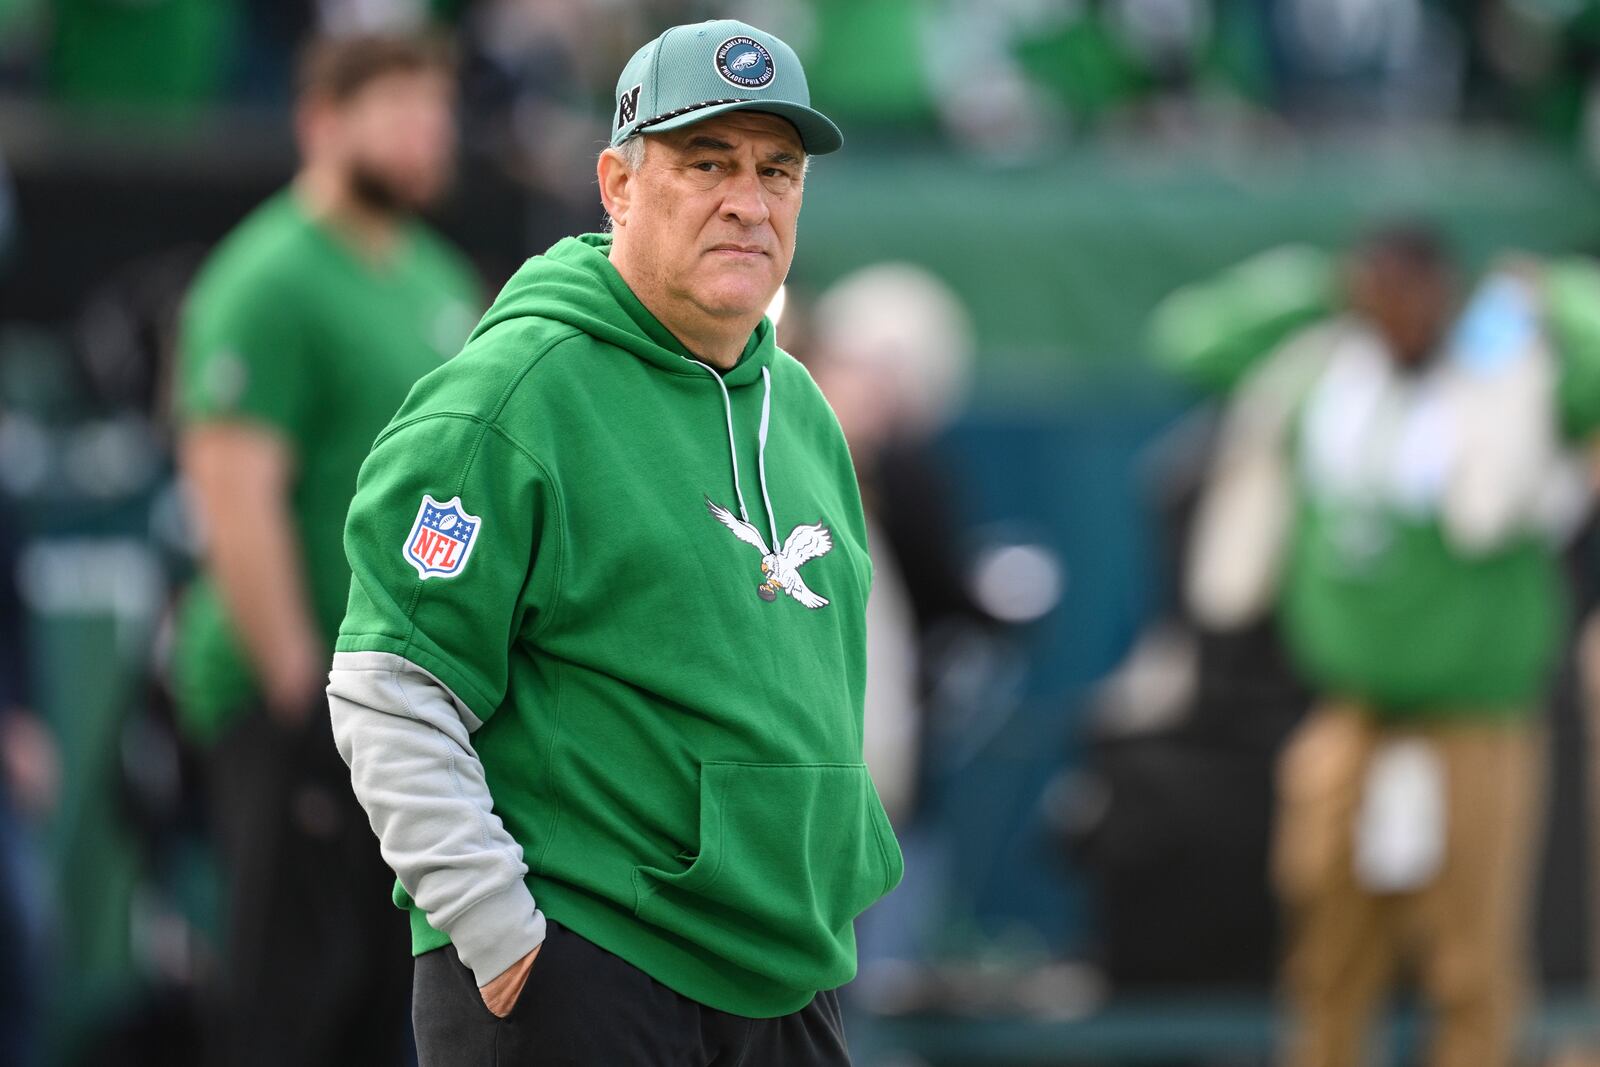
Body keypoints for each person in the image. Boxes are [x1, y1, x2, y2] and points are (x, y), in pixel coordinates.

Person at [325, 18, 903, 1066]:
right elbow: (387, 682)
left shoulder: (802, 405)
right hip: (588, 965)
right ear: (619, 183)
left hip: (782, 971)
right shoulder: (515, 390)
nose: (749, 200)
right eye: (707, 162)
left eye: (778, 170)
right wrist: (500, 937)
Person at [1151, 225, 1600, 1067]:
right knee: (1327, 954)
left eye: (1417, 292)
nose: (1399, 312)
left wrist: (1550, 293)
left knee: (1471, 964)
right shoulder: (1323, 377)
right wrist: (1317, 284)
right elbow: (1192, 337)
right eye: (1380, 291)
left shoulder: (1510, 385)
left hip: (1478, 722)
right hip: (1350, 715)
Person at [171, 32, 480, 1067]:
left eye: (434, 109)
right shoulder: (271, 274)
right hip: (297, 710)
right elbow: (233, 494)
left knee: (382, 1012)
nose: (424, 132)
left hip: (403, 709)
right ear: (322, 123)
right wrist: (302, 695)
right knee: (287, 1007)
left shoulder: (435, 275)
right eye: (396, 107)